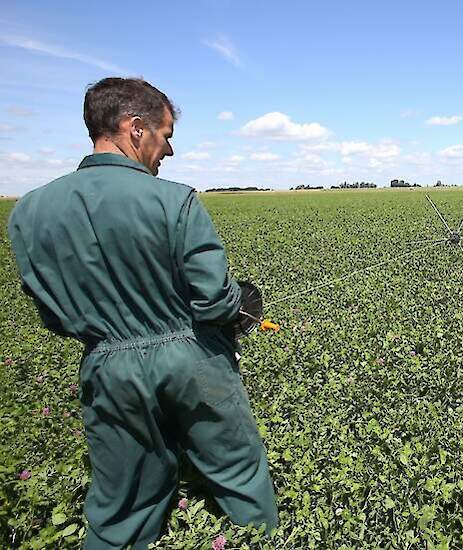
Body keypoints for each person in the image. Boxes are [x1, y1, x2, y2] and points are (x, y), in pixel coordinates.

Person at [6, 77, 278, 549]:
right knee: (240, 475)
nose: (168, 150)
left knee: (120, 506)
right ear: (135, 129)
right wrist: (241, 306)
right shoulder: (175, 200)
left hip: (108, 368)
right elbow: (213, 300)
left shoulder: (29, 212)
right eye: (166, 135)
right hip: (196, 362)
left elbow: (52, 315)